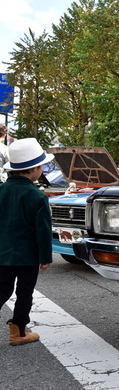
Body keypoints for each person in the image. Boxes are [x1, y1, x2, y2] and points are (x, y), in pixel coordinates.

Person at [0, 138, 54, 345]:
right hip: (27, 255)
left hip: (2, 252)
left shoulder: (1, 191)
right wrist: (45, 257)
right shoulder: (37, 196)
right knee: (24, 293)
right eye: (41, 166)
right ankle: (18, 332)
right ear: (33, 169)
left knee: (2, 289)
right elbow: (43, 230)